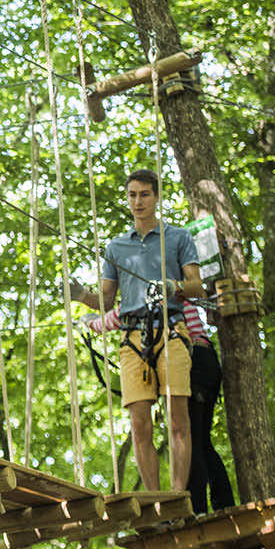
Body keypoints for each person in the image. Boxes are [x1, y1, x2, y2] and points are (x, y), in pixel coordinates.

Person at [73, 168, 204, 493]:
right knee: (139, 424)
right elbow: (106, 301)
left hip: (171, 330)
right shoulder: (116, 247)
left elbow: (197, 285)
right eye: (132, 195)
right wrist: (81, 295)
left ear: (156, 197)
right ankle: (156, 500)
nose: (138, 201)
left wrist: (173, 286)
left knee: (177, 420)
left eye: (144, 194)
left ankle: (178, 494)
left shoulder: (177, 237)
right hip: (132, 338)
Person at [77, 299, 235, 512]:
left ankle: (196, 509)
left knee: (191, 439)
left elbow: (126, 311)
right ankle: (221, 504)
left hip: (193, 360)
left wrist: (94, 323)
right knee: (201, 441)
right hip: (204, 359)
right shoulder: (175, 294)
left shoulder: (160, 296)